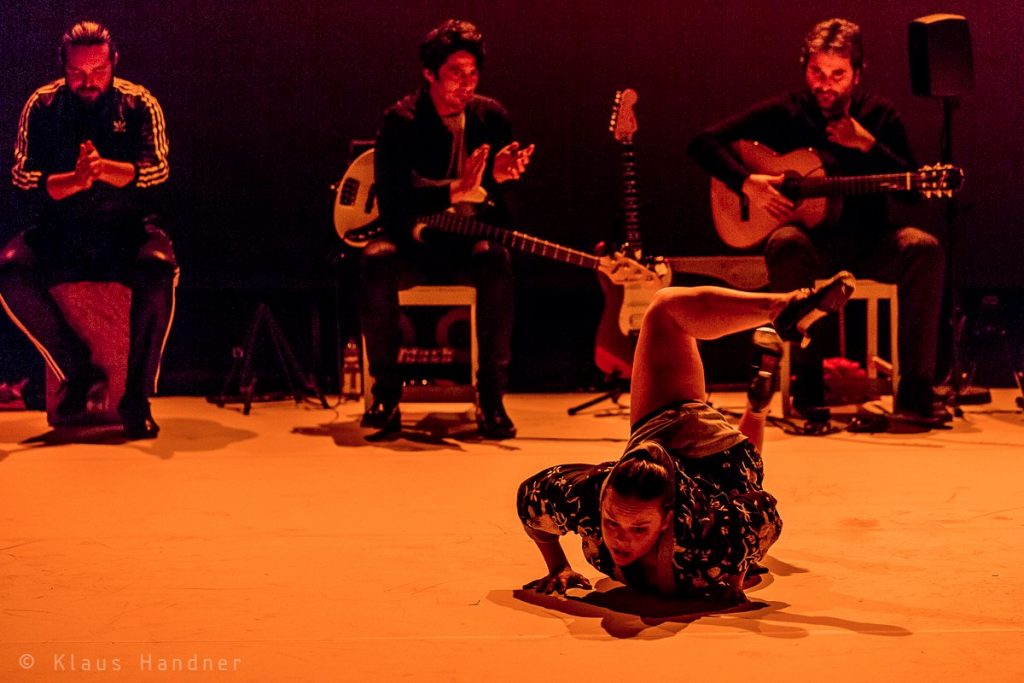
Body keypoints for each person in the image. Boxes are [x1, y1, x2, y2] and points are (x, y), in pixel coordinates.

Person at [517, 272, 855, 600]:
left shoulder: (700, 536)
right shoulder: (585, 497)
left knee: (665, 306)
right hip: (726, 461)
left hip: (684, 441)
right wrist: (557, 567)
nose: (620, 539)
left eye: (638, 528)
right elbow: (530, 497)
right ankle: (757, 406)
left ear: (667, 520)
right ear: (602, 501)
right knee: (742, 482)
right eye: (611, 521)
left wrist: (733, 581)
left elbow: (762, 515)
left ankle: (784, 309)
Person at [688, 18, 947, 427]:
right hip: (811, 248)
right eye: (817, 72)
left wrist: (868, 145)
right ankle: (807, 386)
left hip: (871, 242)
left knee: (923, 247)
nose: (825, 84)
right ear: (805, 68)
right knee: (787, 243)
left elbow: (913, 191)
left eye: (838, 74)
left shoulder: (878, 116)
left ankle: (915, 392)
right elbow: (702, 142)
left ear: (857, 74)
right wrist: (747, 183)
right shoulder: (785, 113)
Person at [0, 20, 177, 439]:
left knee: (158, 270)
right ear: (63, 66)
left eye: (98, 71)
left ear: (114, 61)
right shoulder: (41, 106)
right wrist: (74, 181)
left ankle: (137, 398)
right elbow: (22, 177)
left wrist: (106, 171)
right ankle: (75, 368)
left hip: (125, 230)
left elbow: (161, 171)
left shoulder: (139, 104)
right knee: (9, 271)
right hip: (62, 231)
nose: (88, 81)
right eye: (78, 73)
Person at [358, 19, 533, 439]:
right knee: (373, 262)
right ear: (429, 74)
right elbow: (393, 201)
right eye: (456, 73)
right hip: (414, 245)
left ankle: (491, 397)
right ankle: (386, 394)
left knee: (497, 260)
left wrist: (502, 182)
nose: (466, 84)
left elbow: (506, 217)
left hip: (467, 245)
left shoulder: (492, 117)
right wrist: (456, 190)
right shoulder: (400, 121)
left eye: (473, 73)